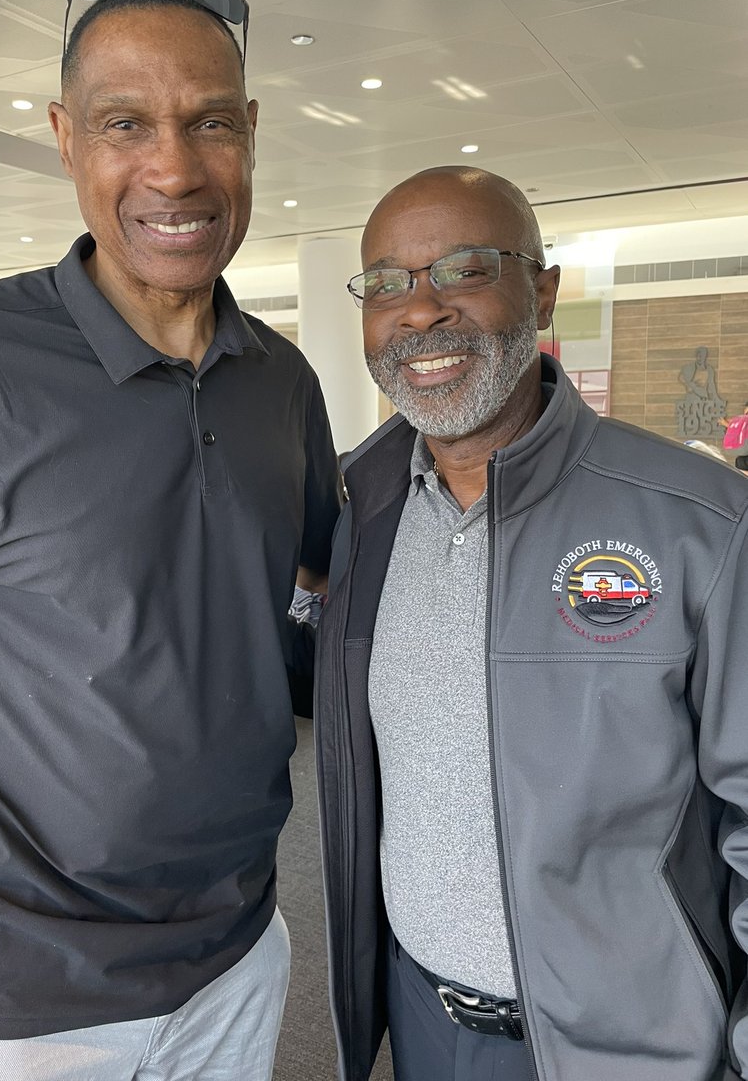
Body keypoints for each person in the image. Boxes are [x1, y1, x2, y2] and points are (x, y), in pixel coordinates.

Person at [0, 0, 341, 1081]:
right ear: (66, 138)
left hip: (236, 959)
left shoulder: (283, 382)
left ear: (253, 132)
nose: (174, 168)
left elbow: (327, 595)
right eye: (126, 124)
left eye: (211, 122)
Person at [314, 165, 748, 1081]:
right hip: (421, 1020)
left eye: (465, 268)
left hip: (635, 1049)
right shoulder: (364, 506)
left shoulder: (699, 523)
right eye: (386, 283)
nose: (420, 311)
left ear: (541, 292)